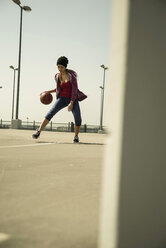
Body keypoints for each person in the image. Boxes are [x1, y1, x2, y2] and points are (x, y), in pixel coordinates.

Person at [32, 56, 82, 143]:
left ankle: (76, 136)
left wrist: (71, 103)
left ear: (65, 67)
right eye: (58, 66)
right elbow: (58, 89)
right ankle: (38, 132)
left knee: (78, 118)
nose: (59, 69)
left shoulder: (71, 76)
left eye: (61, 67)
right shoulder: (57, 76)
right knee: (50, 113)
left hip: (73, 99)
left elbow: (74, 90)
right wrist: (48, 91)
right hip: (62, 98)